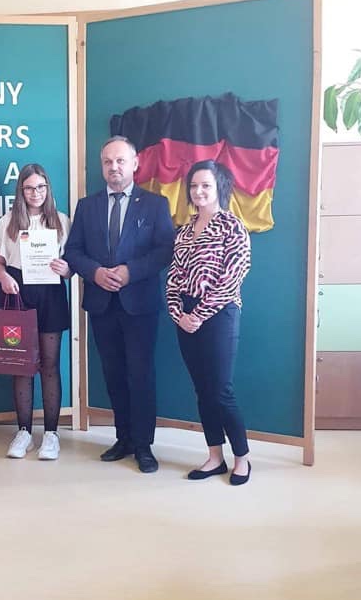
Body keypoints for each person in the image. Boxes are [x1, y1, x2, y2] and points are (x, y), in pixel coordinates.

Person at [64, 136, 175, 473]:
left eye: (120, 161)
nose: (114, 167)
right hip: (102, 304)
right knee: (113, 374)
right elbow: (73, 251)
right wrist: (95, 272)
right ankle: (123, 438)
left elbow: (164, 251)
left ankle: (143, 445)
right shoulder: (87, 206)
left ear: (135, 163)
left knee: (140, 375)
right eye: (108, 162)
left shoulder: (155, 205)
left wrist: (130, 272)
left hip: (139, 304)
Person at [166, 160, 251, 484]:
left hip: (219, 314)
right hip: (185, 317)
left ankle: (242, 458)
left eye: (206, 185)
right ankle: (215, 457)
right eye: (194, 186)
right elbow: (174, 277)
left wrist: (198, 315)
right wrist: (179, 314)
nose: (198, 191)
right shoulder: (184, 231)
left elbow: (232, 278)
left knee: (221, 390)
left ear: (219, 188)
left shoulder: (233, 227)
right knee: (202, 390)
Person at [0, 164, 71, 461]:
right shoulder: (8, 222)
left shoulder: (62, 221)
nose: (35, 193)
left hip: (51, 294)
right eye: (29, 188)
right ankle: (23, 431)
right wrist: (3, 278)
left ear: (47, 189)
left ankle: (51, 434)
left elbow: (71, 267)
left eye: (40, 187)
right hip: (18, 293)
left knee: (50, 364)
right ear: (21, 191)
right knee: (21, 364)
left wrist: (67, 269)